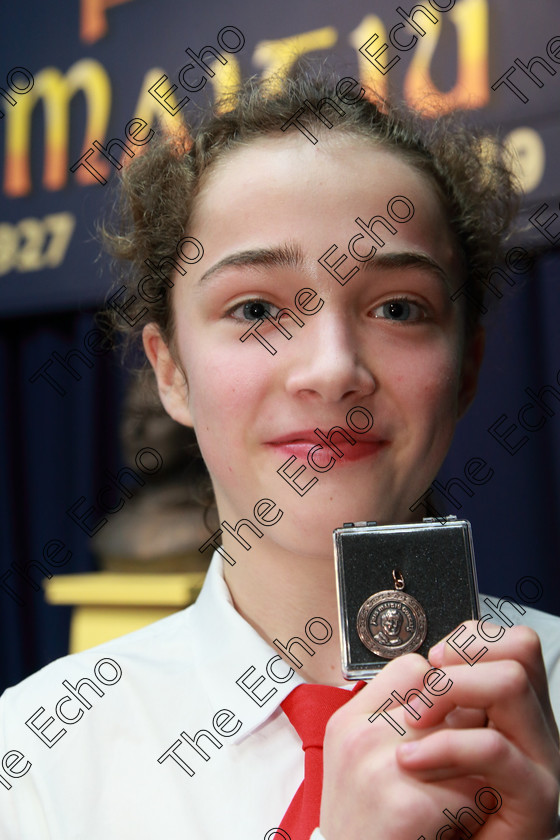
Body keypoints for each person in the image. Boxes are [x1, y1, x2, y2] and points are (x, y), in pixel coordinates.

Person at [1, 69, 559, 840]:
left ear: (465, 368)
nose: (332, 369)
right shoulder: (33, 754)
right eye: (256, 308)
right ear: (170, 372)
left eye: (399, 308)